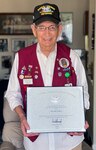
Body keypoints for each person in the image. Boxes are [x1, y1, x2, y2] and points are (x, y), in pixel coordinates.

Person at [4, 3, 89, 150]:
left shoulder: (71, 56)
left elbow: (83, 93)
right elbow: (13, 93)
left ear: (59, 29)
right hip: (36, 142)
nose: (47, 33)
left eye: (51, 27)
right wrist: (22, 117)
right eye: (41, 28)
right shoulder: (22, 57)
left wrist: (79, 118)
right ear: (34, 30)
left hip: (69, 141)